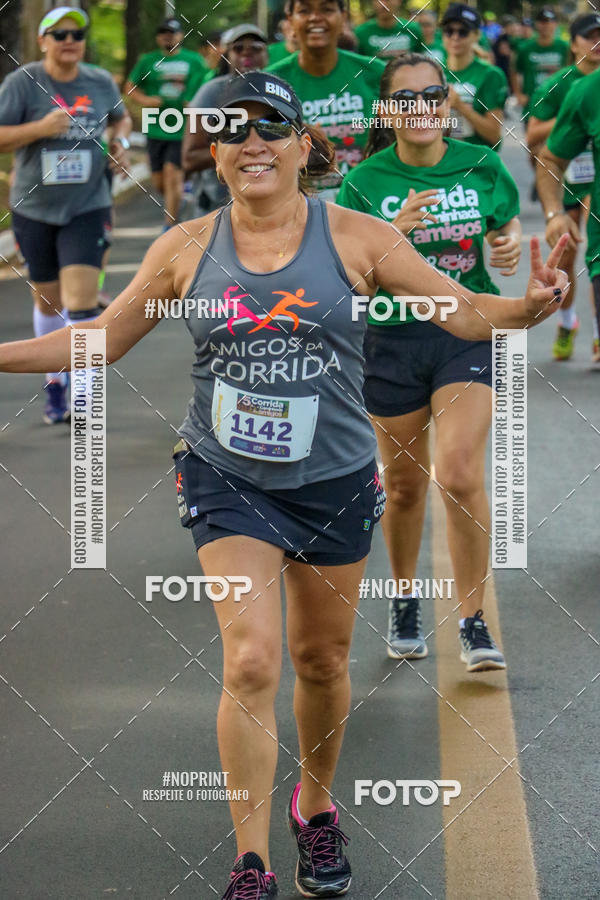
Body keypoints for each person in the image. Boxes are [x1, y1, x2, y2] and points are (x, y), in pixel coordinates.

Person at [0, 70, 568, 900]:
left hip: (335, 479)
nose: (253, 142)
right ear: (216, 152)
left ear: (305, 145)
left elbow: (459, 310)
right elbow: (99, 340)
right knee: (253, 660)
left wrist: (527, 310)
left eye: (271, 126)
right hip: (227, 478)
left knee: (322, 660)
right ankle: (252, 862)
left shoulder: (360, 238)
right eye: (233, 129)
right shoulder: (184, 247)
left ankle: (316, 807)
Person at [337, 53, 522, 670]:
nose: (420, 107)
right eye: (405, 98)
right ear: (385, 111)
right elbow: (349, 283)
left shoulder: (482, 164)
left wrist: (507, 243)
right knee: (404, 485)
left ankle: (473, 619)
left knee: (461, 472)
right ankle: (404, 598)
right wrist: (392, 238)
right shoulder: (364, 183)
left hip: (464, 332)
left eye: (432, 95)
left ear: (447, 104)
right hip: (390, 342)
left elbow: (503, 229)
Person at [0, 5, 131, 424]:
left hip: (87, 205)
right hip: (34, 207)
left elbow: (121, 120)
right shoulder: (23, 82)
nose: (70, 41)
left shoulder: (99, 81)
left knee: (81, 303)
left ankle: (84, 395)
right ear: (43, 41)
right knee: (48, 301)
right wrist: (39, 129)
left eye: (77, 35)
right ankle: (55, 381)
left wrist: (121, 143)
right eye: (59, 35)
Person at [528, 12, 600, 361]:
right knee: (569, 252)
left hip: (593, 178)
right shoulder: (563, 86)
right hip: (572, 175)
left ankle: (597, 334)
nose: (597, 43)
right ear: (573, 44)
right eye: (590, 36)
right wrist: (574, 119)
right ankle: (568, 321)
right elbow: (533, 137)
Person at [267, 0, 385, 199]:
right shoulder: (271, 83)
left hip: (370, 199)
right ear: (290, 20)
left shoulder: (376, 72)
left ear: (343, 18)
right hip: (298, 204)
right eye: (304, 10)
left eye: (327, 9)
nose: (315, 17)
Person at [125, 17, 207, 231]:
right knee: (159, 181)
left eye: (172, 33)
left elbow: (206, 84)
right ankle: (179, 197)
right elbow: (130, 87)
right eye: (163, 33)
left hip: (181, 127)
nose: (167, 37)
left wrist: (194, 101)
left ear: (181, 35)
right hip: (154, 125)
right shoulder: (148, 61)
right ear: (158, 38)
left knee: (173, 172)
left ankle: (170, 226)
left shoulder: (194, 60)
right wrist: (146, 100)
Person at [182, 25, 269, 214]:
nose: (247, 53)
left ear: (266, 55)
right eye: (238, 48)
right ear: (227, 55)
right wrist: (239, 147)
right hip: (217, 206)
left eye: (256, 48)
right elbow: (190, 159)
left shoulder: (277, 91)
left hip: (266, 206)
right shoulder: (211, 92)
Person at [441, 3, 509, 149]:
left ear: (477, 35)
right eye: (449, 31)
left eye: (463, 32)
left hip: (477, 159)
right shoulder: (433, 72)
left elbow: (494, 137)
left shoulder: (490, 75)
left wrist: (460, 106)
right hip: (441, 159)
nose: (455, 37)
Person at [513, 7, 569, 123]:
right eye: (542, 22)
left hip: (558, 103)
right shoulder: (525, 48)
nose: (546, 25)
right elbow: (515, 70)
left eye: (549, 21)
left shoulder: (565, 47)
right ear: (536, 24)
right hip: (533, 103)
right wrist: (518, 94)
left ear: (555, 24)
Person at [354, 0, 422, 58]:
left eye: (387, 0)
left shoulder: (413, 29)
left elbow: (421, 59)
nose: (383, 5)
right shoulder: (360, 32)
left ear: (399, 1)